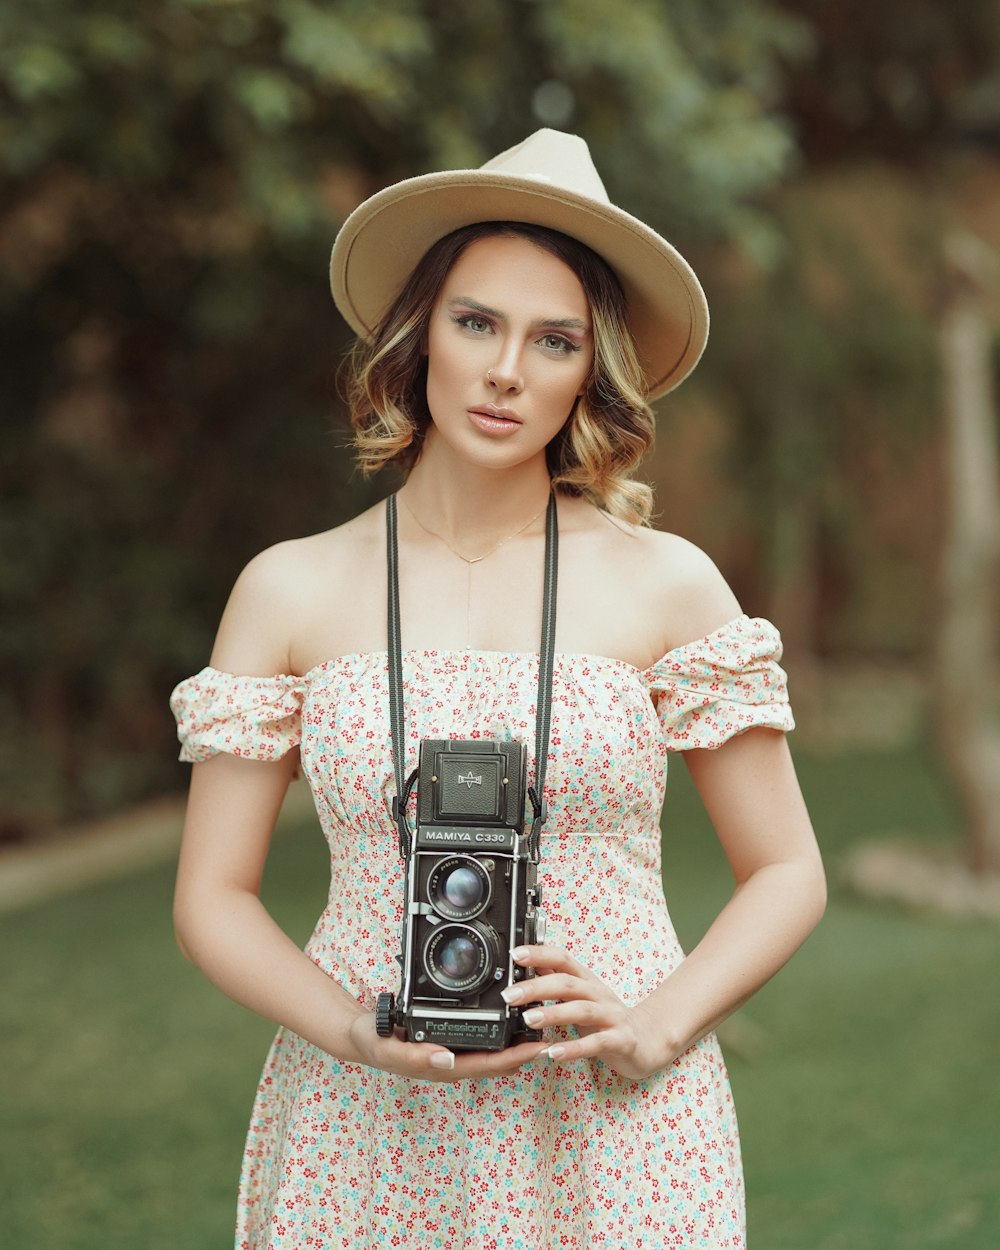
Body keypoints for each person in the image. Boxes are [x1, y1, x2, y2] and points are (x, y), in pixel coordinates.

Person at [171, 129, 825, 1250]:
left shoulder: (665, 583)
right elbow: (212, 895)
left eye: (554, 339)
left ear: (590, 370)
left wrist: (658, 1025)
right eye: (477, 321)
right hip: (366, 1117)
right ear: (420, 331)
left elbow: (787, 867)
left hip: (615, 1124)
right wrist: (348, 1025)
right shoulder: (290, 587)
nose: (507, 368)